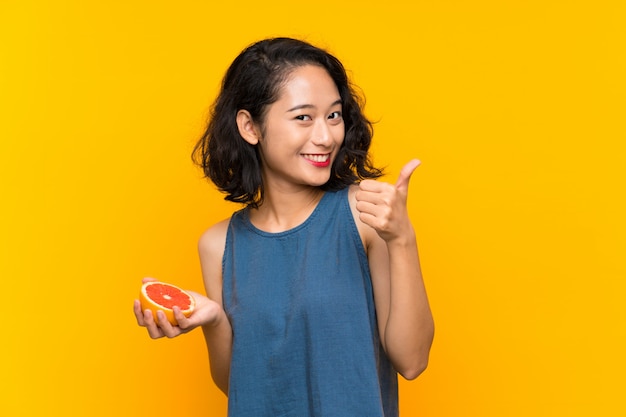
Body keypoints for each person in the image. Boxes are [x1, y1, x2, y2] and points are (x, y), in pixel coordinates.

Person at [134, 37, 434, 416]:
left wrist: (403, 238)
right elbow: (241, 385)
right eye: (303, 117)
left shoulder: (364, 215)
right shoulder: (218, 244)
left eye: (334, 115)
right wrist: (212, 320)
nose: (326, 137)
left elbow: (412, 360)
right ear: (250, 127)